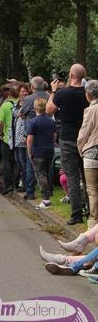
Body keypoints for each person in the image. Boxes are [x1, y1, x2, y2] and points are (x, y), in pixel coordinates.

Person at [47, 63, 88, 225]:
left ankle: (76, 214)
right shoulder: (88, 93)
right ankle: (91, 210)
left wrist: (53, 91)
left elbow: (49, 110)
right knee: (88, 176)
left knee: (72, 176)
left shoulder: (62, 93)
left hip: (68, 138)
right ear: (83, 76)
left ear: (71, 76)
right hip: (85, 139)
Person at [26, 97, 55, 209]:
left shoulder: (33, 122)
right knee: (47, 172)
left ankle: (46, 199)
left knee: (40, 174)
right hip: (49, 149)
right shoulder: (51, 121)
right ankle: (49, 193)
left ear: (34, 108)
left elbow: (29, 139)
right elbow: (54, 135)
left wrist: (29, 152)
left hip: (38, 151)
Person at [77, 79, 98, 228]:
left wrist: (81, 149)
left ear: (88, 95)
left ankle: (94, 222)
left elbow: (83, 134)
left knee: (92, 190)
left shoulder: (91, 110)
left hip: (92, 151)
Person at [0, 84, 16, 195]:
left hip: (7, 137)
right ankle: (15, 182)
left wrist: (0, 133)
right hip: (18, 137)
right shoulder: (21, 104)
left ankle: (7, 184)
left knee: (6, 161)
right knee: (16, 161)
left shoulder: (5, 105)